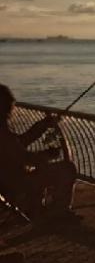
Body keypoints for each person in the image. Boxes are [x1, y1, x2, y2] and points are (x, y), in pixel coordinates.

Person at [0, 85, 78, 222]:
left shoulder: (4, 131)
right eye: (10, 108)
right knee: (67, 169)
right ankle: (59, 211)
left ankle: (37, 206)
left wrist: (41, 126)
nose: (12, 112)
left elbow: (18, 143)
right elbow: (24, 158)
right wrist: (48, 154)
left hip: (6, 183)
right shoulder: (2, 132)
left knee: (43, 167)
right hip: (14, 184)